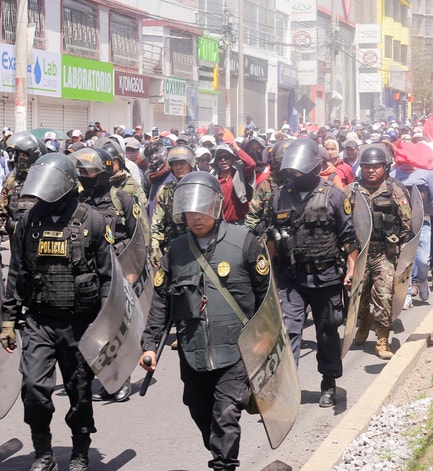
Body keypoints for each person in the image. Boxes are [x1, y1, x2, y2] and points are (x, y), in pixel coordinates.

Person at [140, 171, 269, 471]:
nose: (196, 217)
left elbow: (266, 296)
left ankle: (224, 465)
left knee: (226, 412)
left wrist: (266, 338)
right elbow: (161, 302)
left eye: (202, 210)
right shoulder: (176, 250)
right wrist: (149, 345)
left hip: (237, 349)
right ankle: (219, 451)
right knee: (200, 410)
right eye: (189, 211)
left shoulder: (244, 242)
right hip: (192, 350)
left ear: (215, 206)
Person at [1, 153, 113, 471]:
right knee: (33, 388)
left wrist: (106, 326)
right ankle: (43, 453)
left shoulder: (92, 220)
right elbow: (17, 273)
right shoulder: (29, 220)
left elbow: (108, 279)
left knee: (79, 392)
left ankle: (79, 453)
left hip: (80, 323)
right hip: (39, 320)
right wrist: (8, 321)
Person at [266, 138, 357, 407]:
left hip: (326, 277)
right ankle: (288, 386)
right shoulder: (280, 196)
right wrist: (269, 276)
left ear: (314, 167)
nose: (295, 175)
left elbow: (348, 238)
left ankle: (329, 382)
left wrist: (352, 269)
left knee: (327, 332)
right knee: (288, 330)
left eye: (300, 170)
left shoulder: (334, 195)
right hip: (291, 278)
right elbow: (272, 237)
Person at [72, 147, 141, 403]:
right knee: (89, 327)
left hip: (115, 274)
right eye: (81, 171)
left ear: (102, 173)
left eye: (89, 171)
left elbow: (138, 238)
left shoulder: (122, 199)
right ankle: (93, 376)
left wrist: (132, 273)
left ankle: (120, 378)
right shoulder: (78, 201)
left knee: (114, 328)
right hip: (86, 275)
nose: (84, 175)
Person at [344, 144, 412, 359]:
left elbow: (407, 223)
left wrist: (399, 249)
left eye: (375, 166)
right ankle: (365, 320)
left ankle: (382, 339)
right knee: (360, 298)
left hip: (385, 253)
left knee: (384, 295)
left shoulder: (395, 190)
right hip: (359, 254)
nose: (370, 170)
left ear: (385, 167)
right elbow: (343, 223)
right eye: (366, 166)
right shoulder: (352, 191)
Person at [390, 149, 433, 306]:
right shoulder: (393, 175)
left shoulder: (427, 174)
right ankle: (405, 294)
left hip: (423, 222)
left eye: (409, 160)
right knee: (404, 260)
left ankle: (422, 281)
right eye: (403, 160)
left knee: (423, 260)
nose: (406, 163)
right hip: (401, 225)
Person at [150, 145, 195, 267]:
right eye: (175, 164)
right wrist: (154, 247)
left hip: (198, 246)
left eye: (182, 163)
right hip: (173, 248)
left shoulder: (200, 187)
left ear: (191, 164)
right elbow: (157, 222)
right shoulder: (165, 190)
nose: (178, 167)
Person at [0, 131, 47, 236]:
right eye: (17, 154)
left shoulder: (45, 179)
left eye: (23, 155)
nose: (18, 159)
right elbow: (2, 205)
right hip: (15, 234)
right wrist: (6, 224)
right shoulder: (11, 179)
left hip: (38, 235)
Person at [212, 143, 256, 225]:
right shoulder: (213, 178)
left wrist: (236, 148)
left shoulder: (240, 172)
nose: (223, 160)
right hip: (221, 224)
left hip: (241, 222)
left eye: (226, 157)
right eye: (219, 158)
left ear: (232, 159)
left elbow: (251, 164)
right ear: (216, 162)